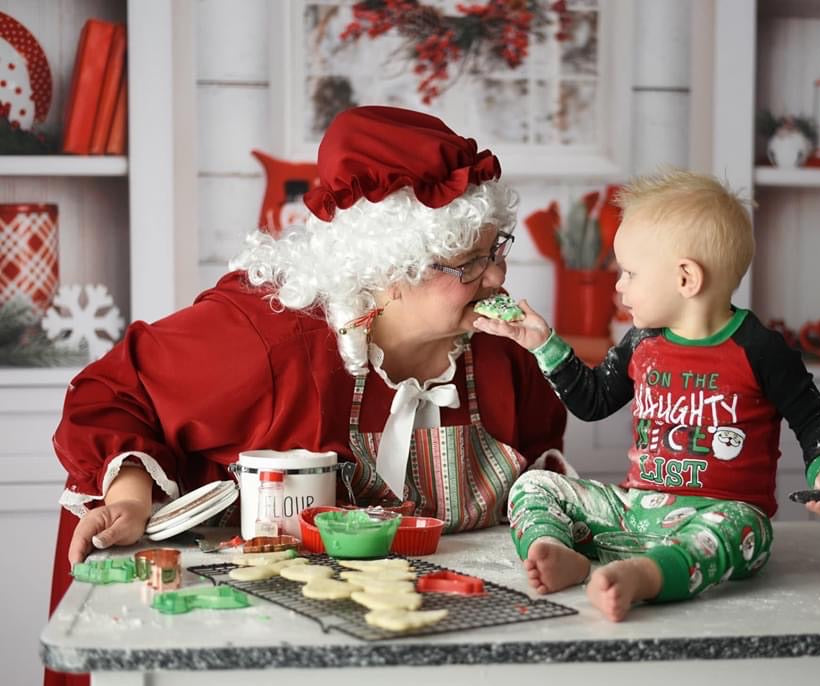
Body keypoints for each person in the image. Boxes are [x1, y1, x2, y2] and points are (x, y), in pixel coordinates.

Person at [47, 106, 570, 682]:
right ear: (384, 270)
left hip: (452, 640)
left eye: (496, 249)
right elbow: (114, 389)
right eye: (466, 264)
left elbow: (540, 474)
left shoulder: (504, 352)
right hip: (259, 647)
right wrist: (129, 497)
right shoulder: (270, 341)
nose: (496, 278)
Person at [474, 169, 820, 622]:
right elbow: (592, 401)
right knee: (534, 484)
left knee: (747, 527)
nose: (619, 285)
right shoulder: (642, 342)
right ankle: (554, 550)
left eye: (630, 273)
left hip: (715, 520)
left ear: (686, 278)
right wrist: (544, 344)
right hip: (635, 513)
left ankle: (646, 576)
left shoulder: (758, 349)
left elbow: (813, 416)